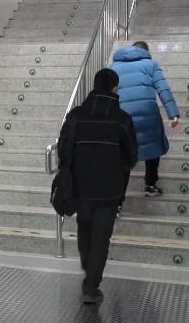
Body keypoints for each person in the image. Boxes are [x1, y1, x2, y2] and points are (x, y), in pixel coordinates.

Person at [58, 68, 138, 305]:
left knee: (85, 230)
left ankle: (88, 270)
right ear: (114, 88)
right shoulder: (122, 119)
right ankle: (91, 287)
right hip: (109, 190)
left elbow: (63, 148)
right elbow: (131, 155)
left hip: (80, 187)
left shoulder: (76, 115)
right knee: (101, 238)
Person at [110, 42, 180, 198]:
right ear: (146, 52)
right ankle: (150, 185)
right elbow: (163, 89)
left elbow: (107, 92)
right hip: (148, 114)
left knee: (123, 154)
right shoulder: (151, 64)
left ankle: (118, 201)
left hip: (122, 116)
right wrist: (173, 114)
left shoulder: (113, 67)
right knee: (153, 147)